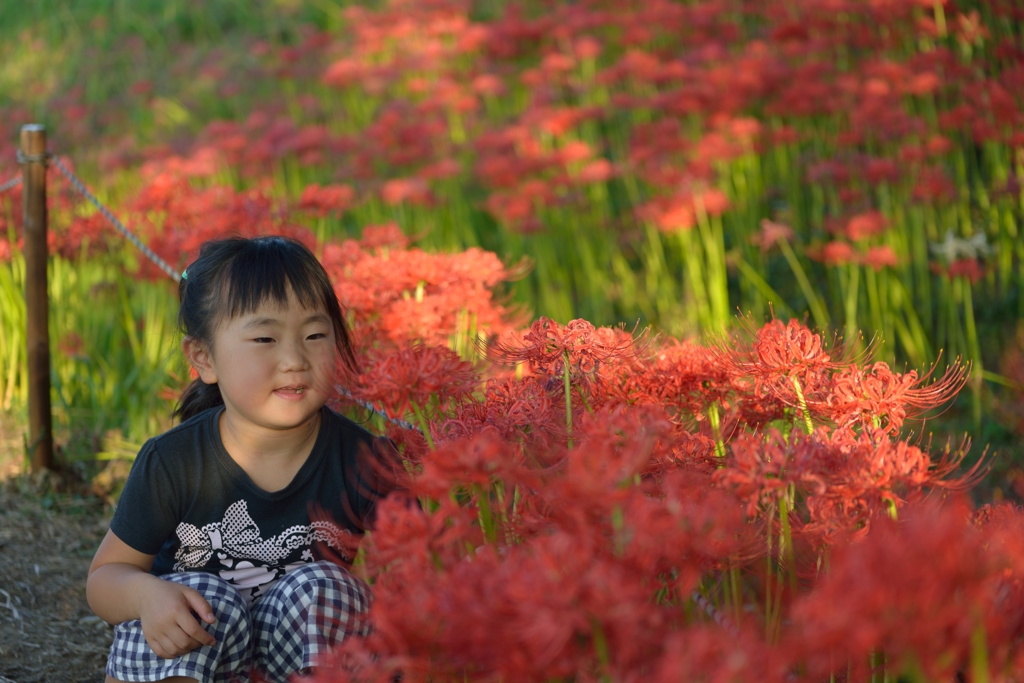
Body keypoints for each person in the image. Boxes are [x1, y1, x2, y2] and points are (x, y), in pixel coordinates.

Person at [87, 235, 398, 683]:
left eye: (314, 334)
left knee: (321, 588)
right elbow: (103, 580)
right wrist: (145, 596)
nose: (294, 359)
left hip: (300, 660)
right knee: (197, 594)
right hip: (197, 659)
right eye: (265, 338)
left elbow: (417, 580)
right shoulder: (174, 462)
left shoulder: (368, 461)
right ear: (204, 357)